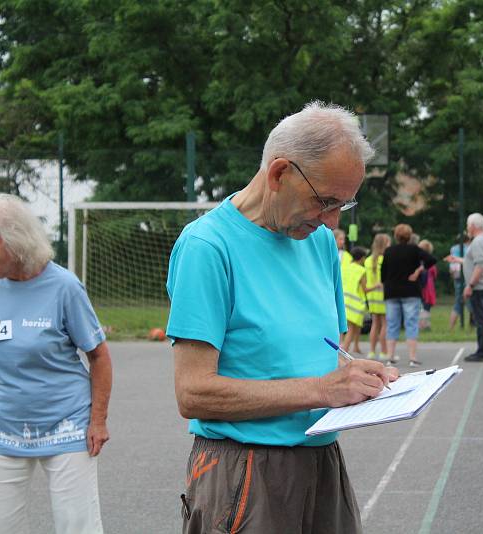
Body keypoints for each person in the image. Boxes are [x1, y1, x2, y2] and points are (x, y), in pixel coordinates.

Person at [166, 102, 398, 534]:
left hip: (322, 459)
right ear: (279, 174)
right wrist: (321, 389)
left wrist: (361, 375)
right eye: (325, 201)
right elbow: (193, 393)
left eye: (343, 206)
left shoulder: (319, 243)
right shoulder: (207, 248)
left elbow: (325, 353)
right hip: (245, 467)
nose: (331, 222)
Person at [0, 193, 112, 534]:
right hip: (4, 427)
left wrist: (97, 420)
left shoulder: (65, 287)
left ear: (16, 242)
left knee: (77, 526)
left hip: (67, 424)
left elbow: (98, 356)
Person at [381, 223, 437, 366]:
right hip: (411, 291)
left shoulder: (388, 251)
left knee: (392, 324)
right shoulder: (415, 250)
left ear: (396, 236)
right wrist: (419, 270)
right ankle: (412, 358)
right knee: (411, 323)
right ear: (410, 236)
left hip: (392, 291)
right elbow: (431, 260)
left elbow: (383, 275)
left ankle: (390, 356)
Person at [446, 213, 483, 362]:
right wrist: (459, 260)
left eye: (468, 225)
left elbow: (480, 265)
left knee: (481, 320)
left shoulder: (478, 242)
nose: (467, 228)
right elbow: (473, 261)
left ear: (473, 226)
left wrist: (470, 285)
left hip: (478, 286)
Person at [365, 233, 391, 360]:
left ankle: (371, 351)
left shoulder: (368, 260)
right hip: (383, 294)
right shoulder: (385, 259)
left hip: (372, 296)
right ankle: (384, 351)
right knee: (385, 324)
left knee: (375, 323)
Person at [342, 247, 369, 353]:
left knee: (355, 326)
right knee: (351, 329)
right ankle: (344, 351)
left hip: (345, 301)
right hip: (355, 303)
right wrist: (377, 286)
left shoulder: (346, 267)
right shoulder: (362, 270)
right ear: (362, 258)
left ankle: (356, 347)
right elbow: (365, 289)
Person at [445, 232, 471, 331]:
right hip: (467, 276)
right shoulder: (469, 248)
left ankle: (451, 327)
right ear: (467, 240)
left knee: (458, 303)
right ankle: (474, 325)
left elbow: (452, 265)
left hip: (457, 276)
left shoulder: (453, 249)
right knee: (471, 302)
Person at [413, 239, 438, 331]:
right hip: (430, 288)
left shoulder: (420, 263)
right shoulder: (432, 264)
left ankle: (422, 325)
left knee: (422, 307)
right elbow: (435, 275)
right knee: (426, 308)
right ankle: (425, 324)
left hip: (423, 288)